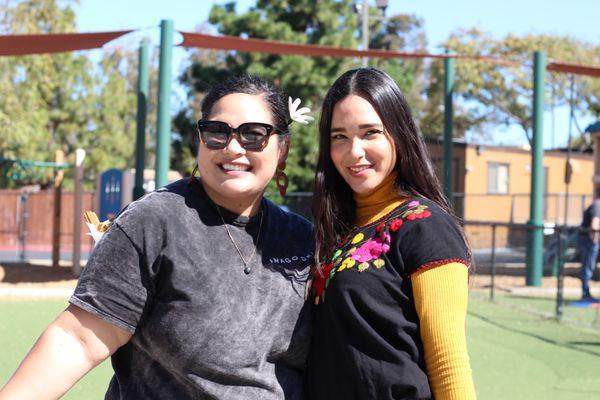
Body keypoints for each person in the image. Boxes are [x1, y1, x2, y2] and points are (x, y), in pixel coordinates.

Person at [0, 75, 315, 400]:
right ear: (199, 140)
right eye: (216, 132)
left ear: (283, 148)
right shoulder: (153, 221)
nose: (233, 147)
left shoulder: (302, 238)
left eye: (253, 135)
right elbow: (79, 340)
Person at [307, 68, 476, 400]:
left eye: (370, 132)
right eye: (339, 136)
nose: (353, 151)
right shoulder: (335, 228)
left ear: (398, 134)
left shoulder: (426, 226)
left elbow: (448, 364)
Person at [577, 197, 600, 302]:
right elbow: (594, 225)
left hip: (590, 241)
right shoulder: (597, 205)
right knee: (588, 265)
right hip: (588, 241)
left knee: (589, 265)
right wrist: (594, 242)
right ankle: (585, 294)